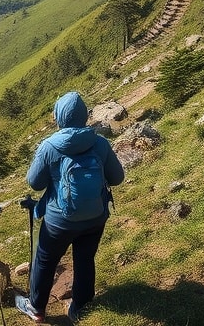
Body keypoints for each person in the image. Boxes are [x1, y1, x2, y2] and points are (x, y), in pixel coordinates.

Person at [20, 91, 125, 324]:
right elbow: (117, 178)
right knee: (85, 259)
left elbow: (34, 183)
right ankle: (80, 307)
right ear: (84, 116)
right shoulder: (99, 143)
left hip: (59, 221)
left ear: (59, 116)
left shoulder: (49, 146)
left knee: (45, 261)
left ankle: (36, 307)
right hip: (96, 216)